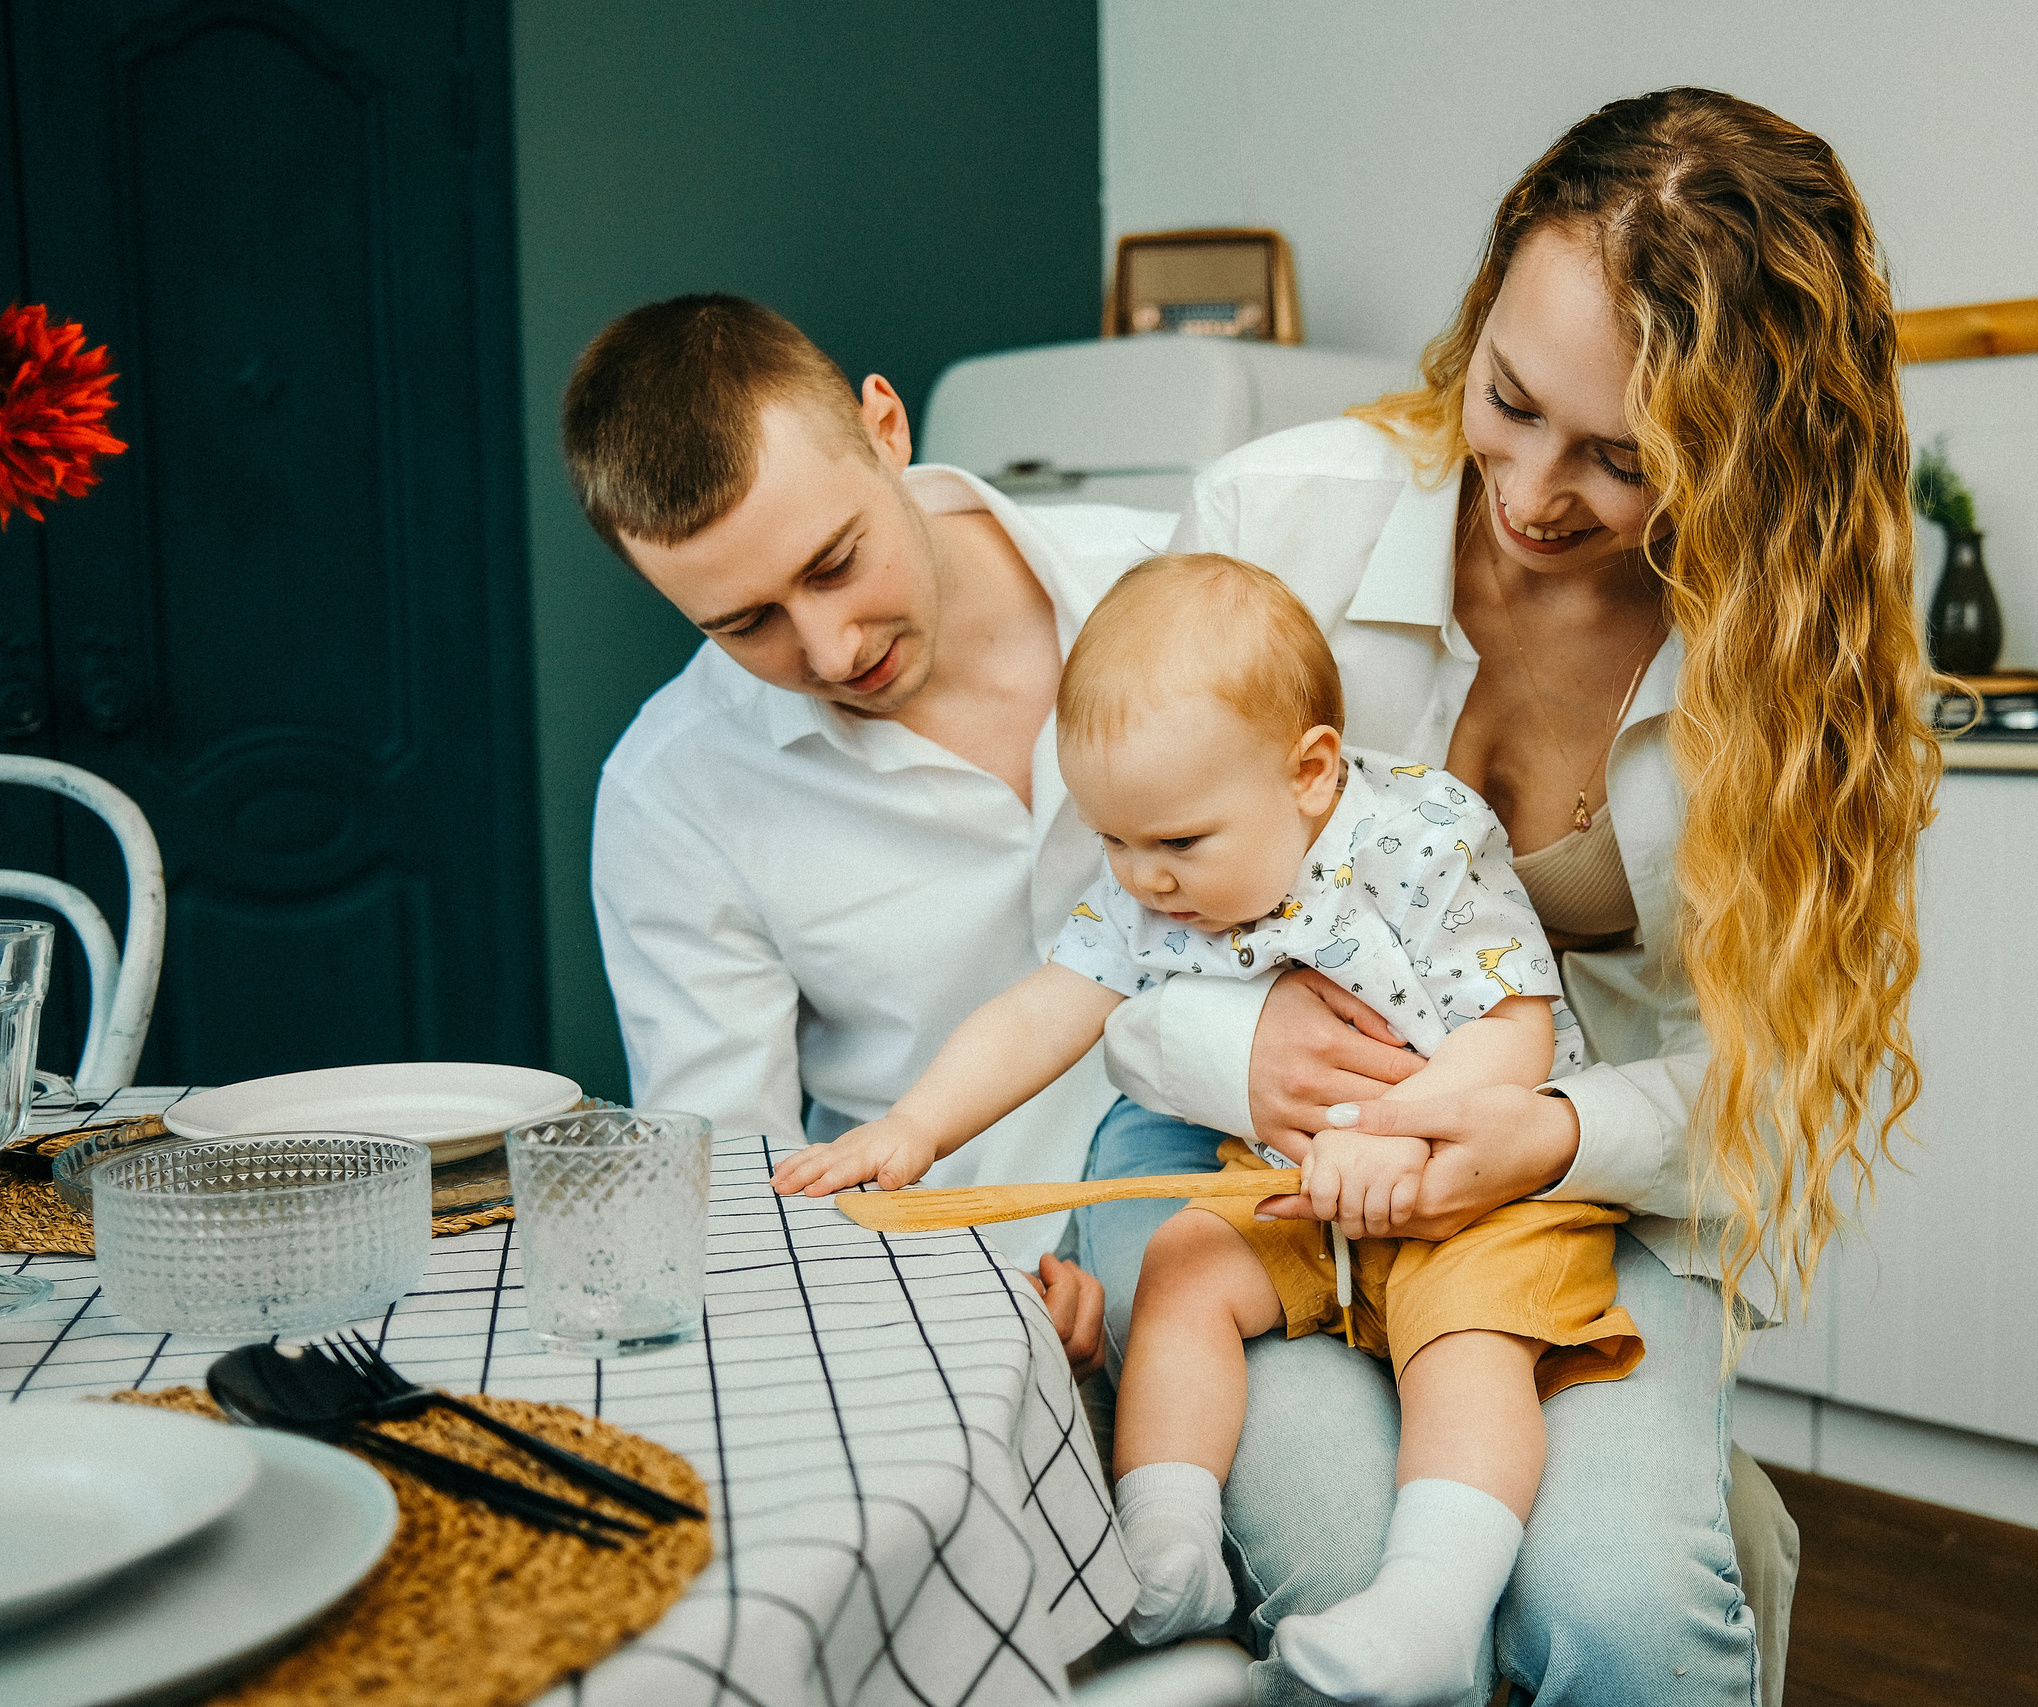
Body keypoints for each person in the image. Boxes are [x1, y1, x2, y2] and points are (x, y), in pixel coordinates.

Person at [1080, 88, 1933, 1707]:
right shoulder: (1281, 517)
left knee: (1627, 1619)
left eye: (1626, 460)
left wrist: (1544, 1132)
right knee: (1354, 1587)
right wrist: (1238, 1050)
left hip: (1568, 1188)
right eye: (1511, 400)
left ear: (1752, 456)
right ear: (1477, 324)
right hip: (1231, 1161)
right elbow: (1094, 943)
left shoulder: (1796, 667)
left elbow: (1772, 1073)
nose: (1536, 494)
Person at [775, 553, 1637, 1705]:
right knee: (1180, 1268)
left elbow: (1514, 1028)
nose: (1144, 881)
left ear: (1311, 774)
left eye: (1177, 845)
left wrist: (1398, 1134)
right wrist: (917, 1126)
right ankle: (1164, 1546)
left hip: (1480, 1190)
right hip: (1294, 1187)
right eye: (1113, 842)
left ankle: (1432, 1606)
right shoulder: (1148, 874)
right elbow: (1049, 1007)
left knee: (1466, 1351)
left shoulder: (1422, 838)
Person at [562, 293, 1167, 1364]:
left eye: (835, 562)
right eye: (747, 625)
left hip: (1256, 1231)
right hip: (932, 1307)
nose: (833, 653)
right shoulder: (674, 791)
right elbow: (739, 1187)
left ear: (885, 428)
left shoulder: (1176, 584)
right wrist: (943, 1308)